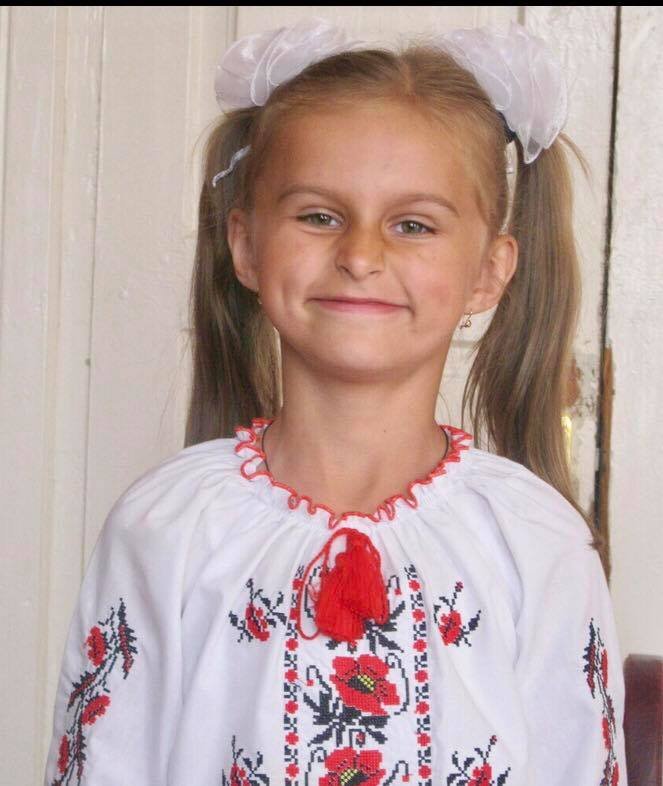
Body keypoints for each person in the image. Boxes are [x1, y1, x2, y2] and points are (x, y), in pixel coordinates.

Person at [43, 17, 627, 786]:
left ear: (489, 271)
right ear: (246, 246)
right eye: (319, 216)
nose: (359, 255)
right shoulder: (165, 526)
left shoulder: (535, 541)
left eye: (412, 225)